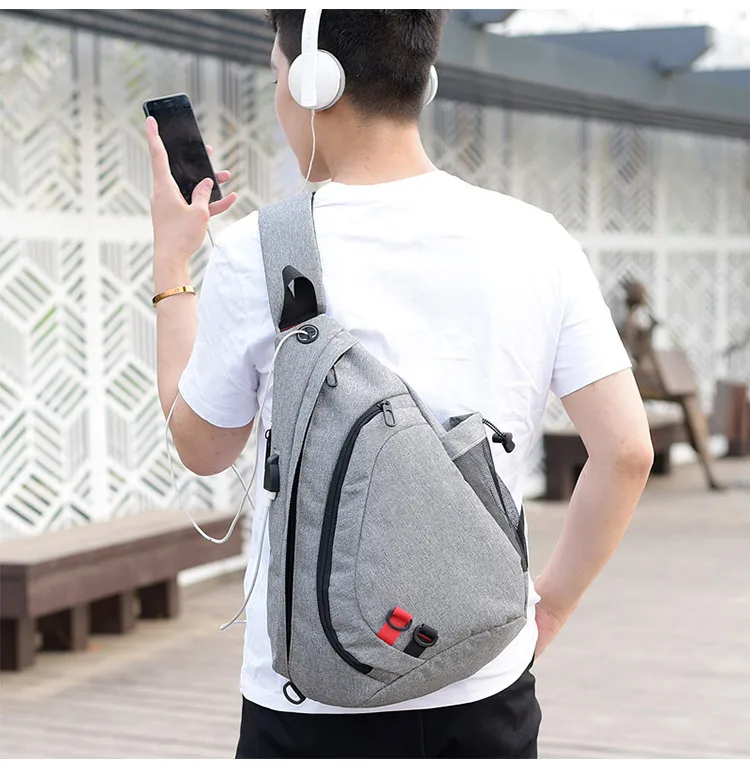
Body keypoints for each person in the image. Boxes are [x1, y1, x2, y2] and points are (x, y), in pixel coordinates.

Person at [146, 9, 654, 759]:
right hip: (483, 682)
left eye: (278, 75)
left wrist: (171, 263)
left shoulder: (260, 248)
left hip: (311, 699)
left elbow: (201, 445)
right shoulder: (537, 240)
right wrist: (547, 608)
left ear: (315, 82)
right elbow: (626, 453)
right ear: (425, 78)